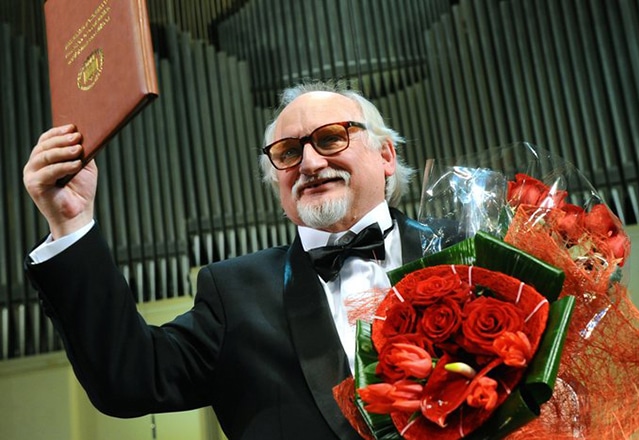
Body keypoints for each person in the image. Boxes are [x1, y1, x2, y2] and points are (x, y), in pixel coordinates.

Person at [23, 81, 450, 439]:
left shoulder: (466, 248)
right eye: (288, 152)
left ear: (386, 155)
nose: (310, 163)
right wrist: (71, 223)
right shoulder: (235, 292)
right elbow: (130, 378)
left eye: (331, 138)